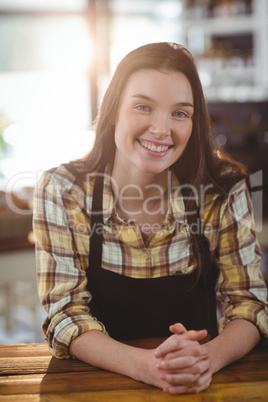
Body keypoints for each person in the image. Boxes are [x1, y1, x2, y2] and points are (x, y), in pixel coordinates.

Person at [33, 42, 268, 394]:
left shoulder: (223, 190)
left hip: (198, 384)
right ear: (113, 109)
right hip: (96, 387)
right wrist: (147, 367)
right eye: (143, 106)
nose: (161, 129)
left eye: (180, 113)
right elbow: (64, 315)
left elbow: (250, 302)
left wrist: (205, 359)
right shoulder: (63, 190)